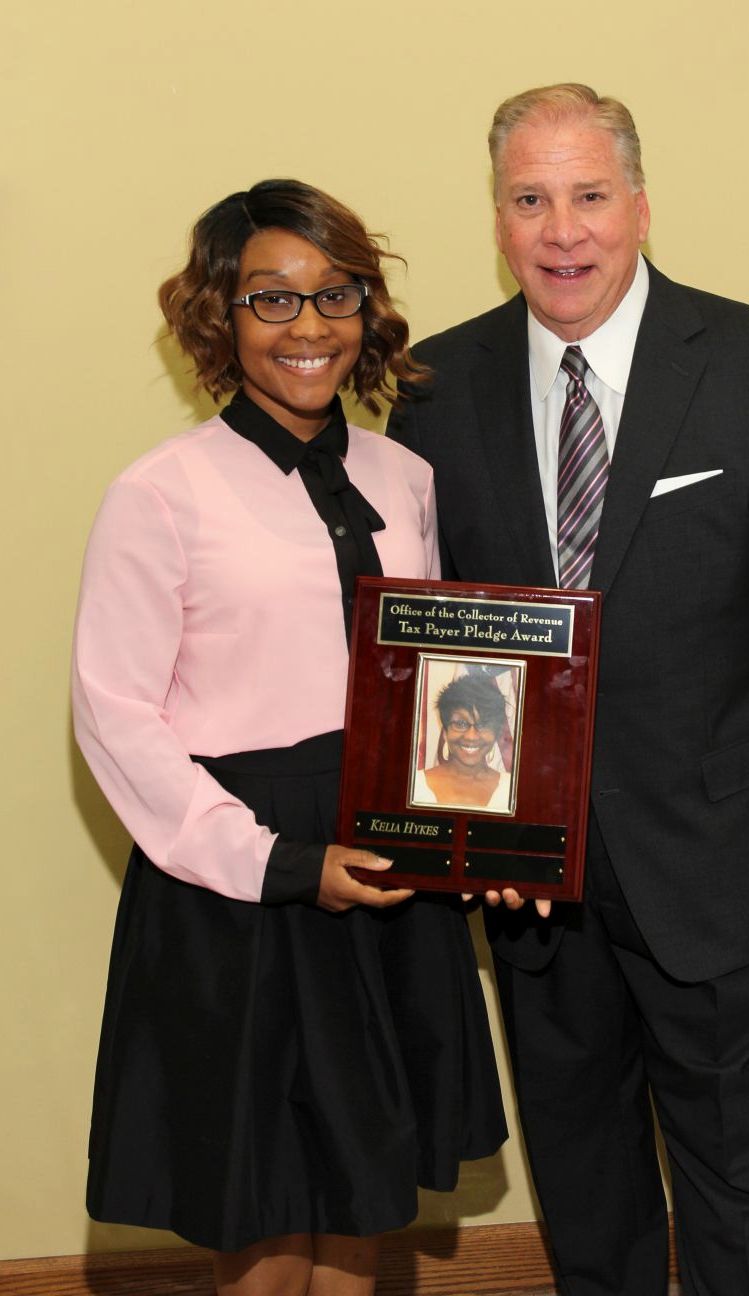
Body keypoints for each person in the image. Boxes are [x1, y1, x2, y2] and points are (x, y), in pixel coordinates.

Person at [388, 85, 749, 1296]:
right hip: (528, 872)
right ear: (496, 220)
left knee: (734, 1163)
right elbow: (440, 621)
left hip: (707, 844)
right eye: (529, 199)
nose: (563, 230)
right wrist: (466, 818)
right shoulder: (437, 384)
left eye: (589, 195)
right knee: (581, 1167)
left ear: (640, 207)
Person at [72, 179, 506, 1296]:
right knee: (260, 1204)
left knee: (365, 1184)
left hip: (390, 860)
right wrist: (272, 862)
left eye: (335, 294)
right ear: (220, 316)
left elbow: (453, 681)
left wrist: (498, 832)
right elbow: (114, 712)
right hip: (241, 880)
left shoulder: (404, 479)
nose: (308, 325)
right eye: (272, 299)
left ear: (366, 309)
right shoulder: (159, 494)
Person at [412, 672, 512, 811]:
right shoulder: (414, 786)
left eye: (483, 725)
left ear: (495, 733)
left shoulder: (512, 790)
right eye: (460, 724)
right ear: (445, 731)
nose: (471, 736)